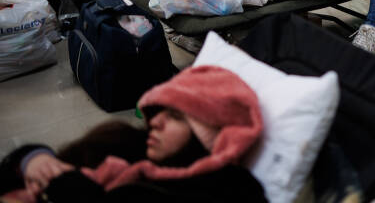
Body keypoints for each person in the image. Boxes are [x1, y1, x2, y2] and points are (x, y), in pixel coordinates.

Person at [0, 66, 267, 202]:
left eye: (175, 116)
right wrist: (32, 159)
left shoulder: (230, 189)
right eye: (158, 110)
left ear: (208, 133)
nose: (155, 122)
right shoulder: (122, 142)